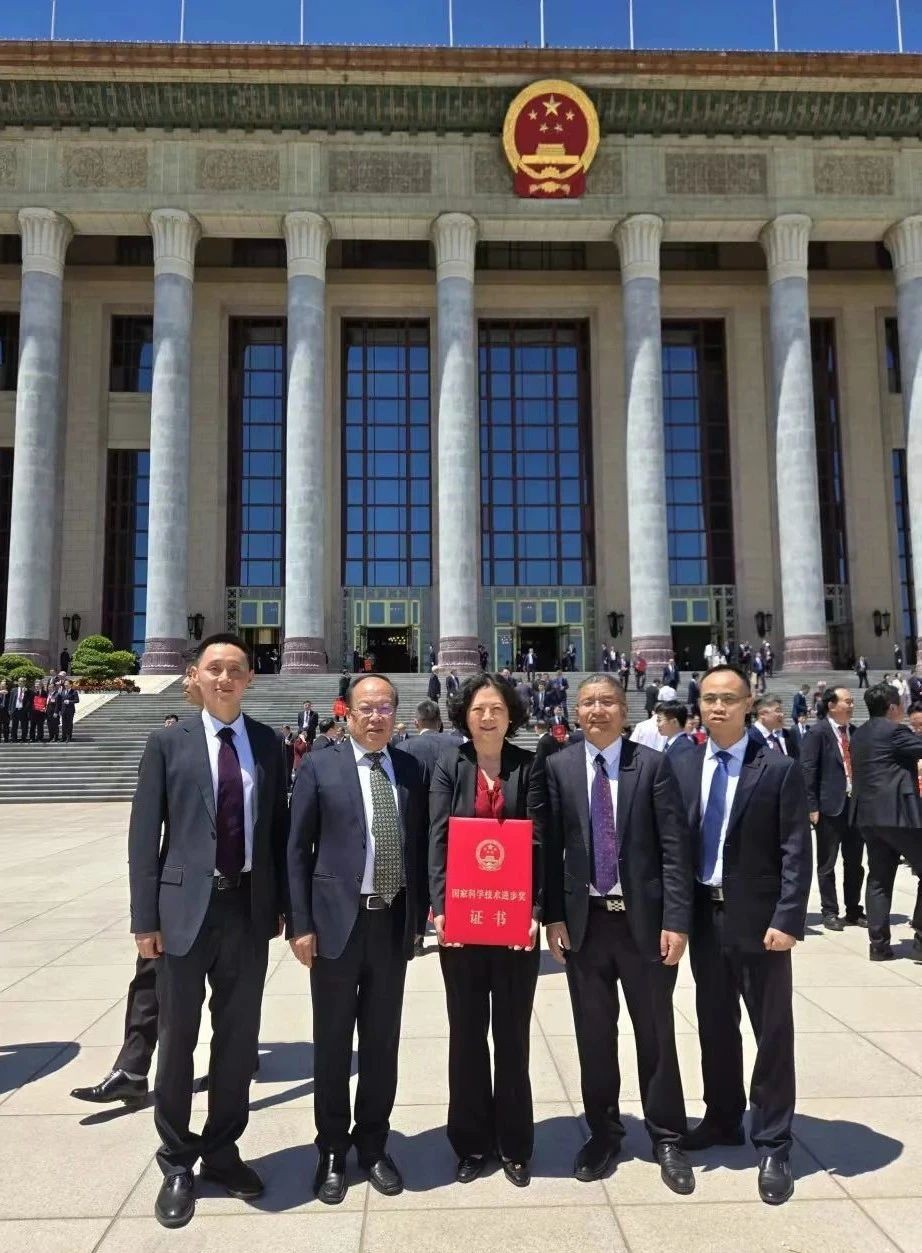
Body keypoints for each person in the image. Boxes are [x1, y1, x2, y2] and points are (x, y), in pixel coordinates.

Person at [127, 634, 289, 1229]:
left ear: (250, 679)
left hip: (246, 910)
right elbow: (144, 835)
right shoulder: (168, 743)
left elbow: (277, 833)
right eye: (215, 668)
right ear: (193, 676)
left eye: (236, 670)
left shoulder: (269, 744)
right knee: (178, 1040)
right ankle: (176, 1159)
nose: (226, 678)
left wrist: (283, 908)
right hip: (182, 915)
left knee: (238, 1040)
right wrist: (144, 919)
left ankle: (222, 1150)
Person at [543, 674, 696, 1196]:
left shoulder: (650, 764)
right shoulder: (560, 766)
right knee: (594, 1035)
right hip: (585, 925)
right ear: (575, 712)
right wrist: (552, 916)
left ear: (624, 710)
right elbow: (551, 848)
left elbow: (674, 848)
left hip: (643, 924)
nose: (597, 710)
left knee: (655, 1032)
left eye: (607, 701)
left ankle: (667, 1136)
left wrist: (677, 920)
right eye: (587, 702)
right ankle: (604, 1133)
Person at [668, 664, 812, 1207]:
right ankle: (723, 1117)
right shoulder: (682, 761)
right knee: (714, 1022)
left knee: (771, 1031)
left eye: (729, 698)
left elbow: (796, 849)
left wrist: (788, 918)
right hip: (704, 916)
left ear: (749, 703)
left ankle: (773, 1141)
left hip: (759, 921)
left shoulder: (777, 768)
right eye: (709, 698)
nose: (718, 707)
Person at [287, 674, 429, 1205]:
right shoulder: (318, 766)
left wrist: (421, 920)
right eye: (366, 708)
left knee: (381, 1043)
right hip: (334, 927)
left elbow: (420, 847)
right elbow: (296, 849)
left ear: (396, 714)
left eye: (385, 708)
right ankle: (331, 1149)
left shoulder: (410, 768)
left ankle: (373, 1144)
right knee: (331, 1043)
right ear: (347, 713)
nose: (376, 717)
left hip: (390, 923)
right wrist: (300, 923)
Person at [429, 673, 543, 1187]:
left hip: (514, 923)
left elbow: (540, 842)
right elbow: (437, 839)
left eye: (496, 708)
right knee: (467, 1034)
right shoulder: (449, 764)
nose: (488, 717)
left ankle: (515, 1144)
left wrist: (535, 909)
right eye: (478, 709)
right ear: (465, 716)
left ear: (510, 714)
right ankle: (471, 1142)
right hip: (463, 925)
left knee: (513, 1035)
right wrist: (441, 909)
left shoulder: (529, 765)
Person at [850, 682, 922, 962]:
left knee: (879, 879)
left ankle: (878, 946)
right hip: (898, 815)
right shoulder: (895, 731)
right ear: (892, 707)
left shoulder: (859, 734)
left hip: (868, 817)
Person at [799, 687, 865, 931]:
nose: (851, 705)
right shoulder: (817, 733)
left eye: (852, 701)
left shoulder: (855, 733)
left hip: (854, 807)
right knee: (827, 864)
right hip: (829, 808)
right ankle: (830, 911)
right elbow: (808, 770)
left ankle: (854, 910)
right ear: (831, 705)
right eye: (847, 701)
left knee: (855, 863)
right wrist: (811, 806)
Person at [749, 695, 800, 760]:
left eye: (781, 711)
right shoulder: (750, 739)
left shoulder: (775, 739)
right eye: (778, 711)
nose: (782, 714)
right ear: (762, 714)